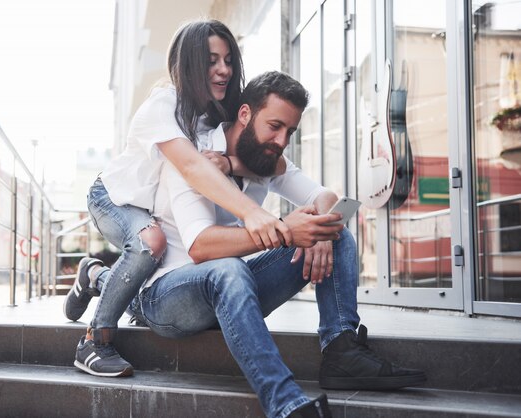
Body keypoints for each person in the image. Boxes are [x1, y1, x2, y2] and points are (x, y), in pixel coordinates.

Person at [127, 71, 427, 418]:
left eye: (290, 131)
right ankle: (286, 405)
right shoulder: (195, 158)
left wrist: (318, 226)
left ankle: (342, 347)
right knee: (228, 268)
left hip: (231, 293)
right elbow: (201, 246)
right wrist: (287, 229)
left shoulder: (264, 159)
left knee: (335, 232)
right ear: (244, 114)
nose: (282, 140)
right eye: (274, 126)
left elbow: (327, 196)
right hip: (168, 297)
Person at [63, 20, 292, 378]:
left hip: (145, 205)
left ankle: (94, 275)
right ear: (188, 63)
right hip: (114, 197)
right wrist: (252, 214)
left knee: (146, 272)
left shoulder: (211, 115)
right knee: (149, 244)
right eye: (212, 60)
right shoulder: (164, 104)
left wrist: (232, 161)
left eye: (229, 60)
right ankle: (94, 340)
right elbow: (194, 169)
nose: (224, 70)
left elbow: (273, 162)